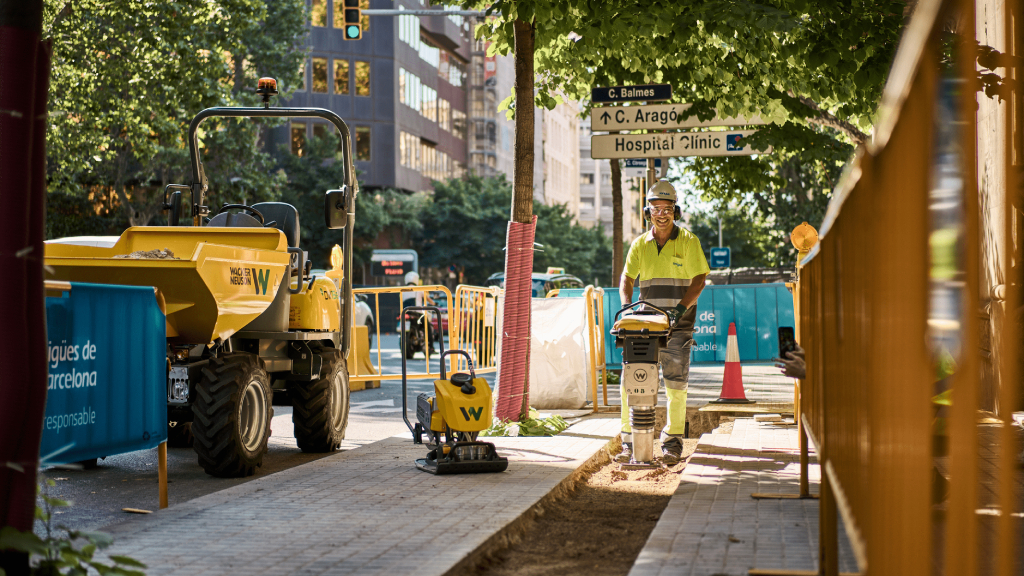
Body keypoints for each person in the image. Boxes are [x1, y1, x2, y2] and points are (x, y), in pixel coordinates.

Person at [619, 179, 710, 465]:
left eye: (667, 208)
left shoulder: (689, 241)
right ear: (647, 212)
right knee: (630, 383)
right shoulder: (639, 245)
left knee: (676, 385)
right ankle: (628, 441)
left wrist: (680, 310)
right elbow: (626, 279)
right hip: (645, 328)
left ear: (676, 211)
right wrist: (626, 308)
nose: (662, 214)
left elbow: (699, 280)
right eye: (656, 208)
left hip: (679, 326)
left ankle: (672, 442)